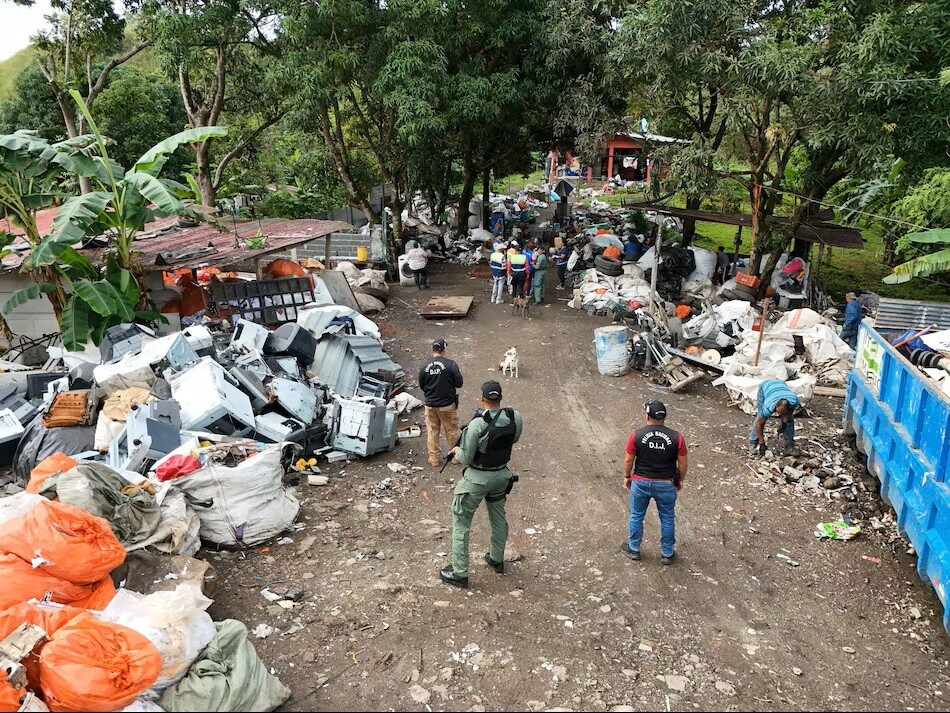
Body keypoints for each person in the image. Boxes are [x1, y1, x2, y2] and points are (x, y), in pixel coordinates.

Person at [440, 380, 523, 588]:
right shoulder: (515, 417)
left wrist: (456, 451)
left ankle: (460, 573)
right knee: (498, 518)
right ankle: (496, 559)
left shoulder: (477, 424)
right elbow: (514, 439)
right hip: (501, 476)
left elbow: (466, 458)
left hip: (476, 479)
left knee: (461, 524)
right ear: (500, 398)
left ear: (482, 398)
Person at [621, 400, 688, 565]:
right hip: (666, 484)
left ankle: (634, 548)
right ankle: (667, 553)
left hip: (641, 482)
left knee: (637, 515)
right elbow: (683, 464)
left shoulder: (636, 435)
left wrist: (627, 476)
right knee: (667, 518)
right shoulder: (677, 437)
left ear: (647, 416)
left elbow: (629, 460)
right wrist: (679, 480)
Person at [418, 339, 464, 467]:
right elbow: (459, 383)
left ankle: (433, 459)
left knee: (432, 431)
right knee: (452, 431)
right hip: (447, 405)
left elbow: (422, 385)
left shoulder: (424, 366)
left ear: (433, 349)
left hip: (430, 405)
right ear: (443, 349)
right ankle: (454, 457)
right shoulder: (451, 365)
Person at [749, 379, 800, 457]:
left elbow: (790, 411)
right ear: (775, 406)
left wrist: (784, 421)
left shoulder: (794, 400)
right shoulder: (768, 406)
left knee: (790, 420)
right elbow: (759, 423)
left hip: (781, 385)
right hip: (765, 387)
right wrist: (762, 442)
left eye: (781, 413)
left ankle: (789, 446)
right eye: (778, 412)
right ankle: (753, 442)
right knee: (759, 418)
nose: (779, 414)